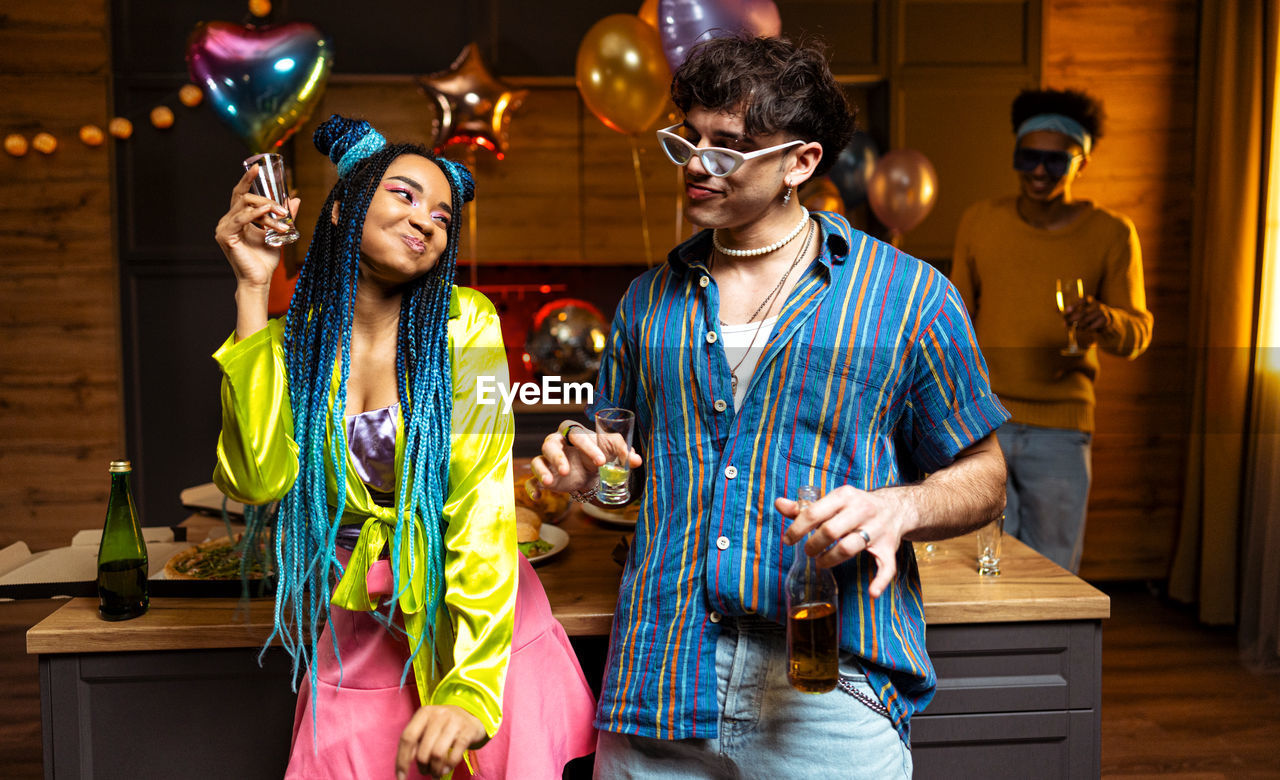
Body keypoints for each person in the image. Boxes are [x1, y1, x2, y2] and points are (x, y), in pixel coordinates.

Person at [528, 36, 1008, 778]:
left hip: (826, 687)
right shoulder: (646, 303)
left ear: (801, 163)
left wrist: (900, 509)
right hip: (656, 681)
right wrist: (586, 474)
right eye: (687, 137)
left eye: (729, 148)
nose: (695, 163)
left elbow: (986, 472)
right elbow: (621, 479)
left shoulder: (910, 297)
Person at [211, 114, 596, 780]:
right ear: (342, 210)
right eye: (405, 195)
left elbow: (479, 504)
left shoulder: (462, 324)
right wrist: (251, 286)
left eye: (444, 216)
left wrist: (472, 687)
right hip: (360, 630)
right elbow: (257, 479)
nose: (427, 220)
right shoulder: (289, 345)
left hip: (474, 624)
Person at [950, 88, 1153, 573]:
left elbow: (1137, 334)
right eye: (1029, 157)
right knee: (981, 565)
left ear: (1081, 161)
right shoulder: (980, 221)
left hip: (1061, 433)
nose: (1040, 171)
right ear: (1015, 155)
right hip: (987, 423)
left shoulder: (1112, 233)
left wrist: (1106, 319)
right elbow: (952, 323)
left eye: (1056, 161)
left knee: (1054, 571)